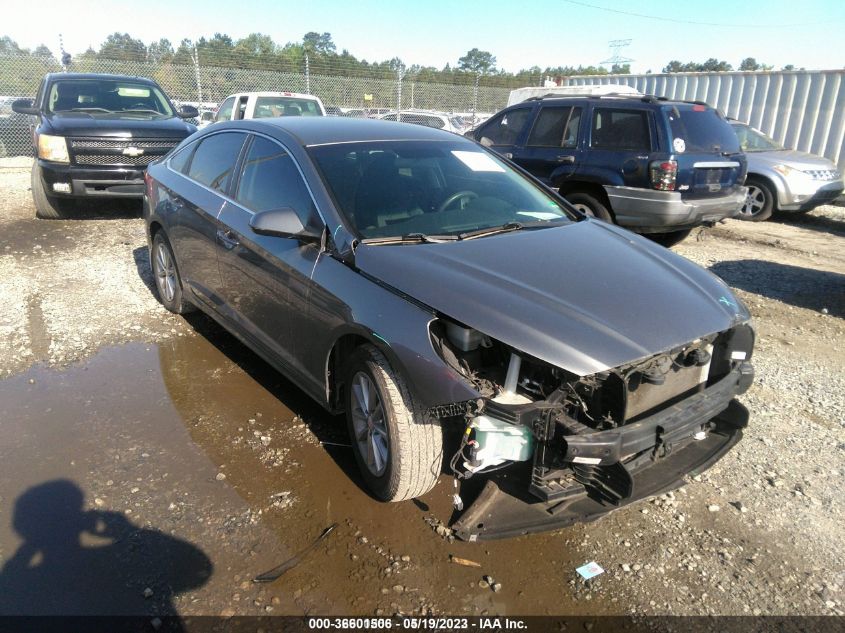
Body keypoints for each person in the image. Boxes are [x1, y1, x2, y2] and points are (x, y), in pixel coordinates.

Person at [0, 480, 212, 616]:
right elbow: (200, 569)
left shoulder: (19, 578)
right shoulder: (18, 576)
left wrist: (30, 548)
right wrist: (127, 530)